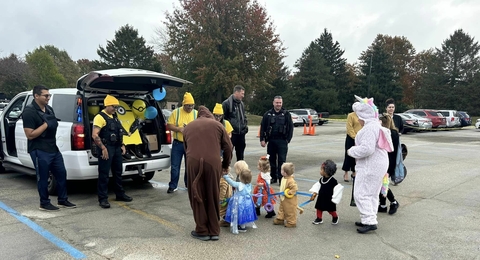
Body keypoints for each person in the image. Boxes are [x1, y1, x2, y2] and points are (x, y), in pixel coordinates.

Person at [22, 85, 76, 211]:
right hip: (39, 149)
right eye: (45, 95)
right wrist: (46, 125)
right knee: (43, 176)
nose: (48, 97)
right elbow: (30, 135)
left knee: (61, 174)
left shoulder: (49, 109)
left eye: (49, 95)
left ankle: (62, 200)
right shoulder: (29, 112)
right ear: (36, 96)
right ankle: (44, 203)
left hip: (53, 148)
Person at [183, 106, 232, 241]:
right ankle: (214, 230)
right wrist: (225, 165)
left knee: (196, 194)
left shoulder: (188, 127)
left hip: (193, 162)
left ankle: (202, 230)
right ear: (210, 115)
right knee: (212, 193)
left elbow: (186, 148)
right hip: (213, 162)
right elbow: (228, 147)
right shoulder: (218, 125)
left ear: (198, 116)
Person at [347, 95, 393, 234]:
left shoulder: (369, 129)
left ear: (364, 116)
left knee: (361, 193)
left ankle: (369, 220)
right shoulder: (375, 125)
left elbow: (367, 149)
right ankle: (369, 217)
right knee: (372, 193)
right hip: (378, 164)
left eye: (359, 116)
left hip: (370, 165)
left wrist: (351, 151)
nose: (358, 119)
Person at [92, 95, 133, 209]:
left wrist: (122, 145)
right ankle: (103, 199)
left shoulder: (114, 117)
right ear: (107, 105)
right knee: (104, 174)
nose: (115, 109)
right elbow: (94, 135)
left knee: (118, 172)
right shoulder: (100, 117)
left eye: (116, 107)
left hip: (116, 148)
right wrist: (103, 148)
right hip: (106, 148)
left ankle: (120, 194)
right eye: (114, 106)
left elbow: (119, 132)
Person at [167, 92, 198, 193]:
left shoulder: (196, 113)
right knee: (175, 166)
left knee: (190, 166)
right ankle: (173, 185)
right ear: (183, 104)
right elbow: (169, 125)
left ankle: (188, 184)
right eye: (188, 106)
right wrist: (178, 129)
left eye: (192, 106)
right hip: (178, 143)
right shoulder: (176, 112)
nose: (190, 108)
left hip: (191, 144)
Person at [259, 96, 294, 184]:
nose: (278, 104)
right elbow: (263, 127)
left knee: (282, 160)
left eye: (280, 103)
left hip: (282, 141)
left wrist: (288, 139)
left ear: (282, 103)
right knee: (271, 160)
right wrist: (262, 139)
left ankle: (281, 178)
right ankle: (273, 177)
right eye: (277, 102)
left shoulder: (286, 114)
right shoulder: (268, 114)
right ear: (273, 103)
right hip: (271, 141)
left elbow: (290, 127)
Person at [223, 167, 258, 234]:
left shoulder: (239, 184)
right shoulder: (249, 185)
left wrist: (226, 176)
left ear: (241, 178)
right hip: (248, 202)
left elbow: (232, 183)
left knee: (239, 212)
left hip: (239, 202)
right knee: (244, 213)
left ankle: (242, 227)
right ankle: (243, 225)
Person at [309, 160, 343, 225]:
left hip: (329, 199)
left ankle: (335, 217)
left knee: (330, 210)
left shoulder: (333, 181)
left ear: (326, 171)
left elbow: (337, 189)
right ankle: (319, 218)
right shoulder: (321, 179)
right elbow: (317, 186)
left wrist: (335, 198)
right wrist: (314, 193)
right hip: (321, 197)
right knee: (319, 208)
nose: (320, 171)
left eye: (321, 169)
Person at [378, 115, 400, 215]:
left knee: (383, 184)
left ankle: (393, 201)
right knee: (381, 183)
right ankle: (382, 204)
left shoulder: (391, 134)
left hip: (388, 161)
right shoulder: (392, 133)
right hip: (386, 161)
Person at [222, 85, 248, 161]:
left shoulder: (241, 104)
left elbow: (244, 116)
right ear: (236, 92)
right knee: (227, 155)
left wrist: (245, 127)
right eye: (242, 93)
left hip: (241, 134)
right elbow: (222, 119)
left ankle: (241, 172)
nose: (243, 96)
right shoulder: (226, 104)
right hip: (231, 134)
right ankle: (225, 171)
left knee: (240, 156)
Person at [219, 160, 248, 227]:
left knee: (223, 210)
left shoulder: (225, 179)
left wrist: (220, 199)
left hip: (233, 198)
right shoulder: (243, 177)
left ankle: (228, 221)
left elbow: (226, 188)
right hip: (236, 196)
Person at [273, 162, 299, 228]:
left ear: (285, 172)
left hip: (289, 200)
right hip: (283, 198)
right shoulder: (283, 178)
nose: (280, 170)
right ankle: (280, 219)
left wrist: (290, 192)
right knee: (281, 208)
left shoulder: (290, 180)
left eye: (282, 170)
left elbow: (295, 188)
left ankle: (292, 222)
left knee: (290, 211)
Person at [341, 111, 362, 182]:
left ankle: (354, 172)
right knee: (348, 155)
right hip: (351, 138)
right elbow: (349, 127)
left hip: (360, 138)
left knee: (357, 156)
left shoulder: (362, 115)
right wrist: (354, 136)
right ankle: (346, 172)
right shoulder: (351, 115)